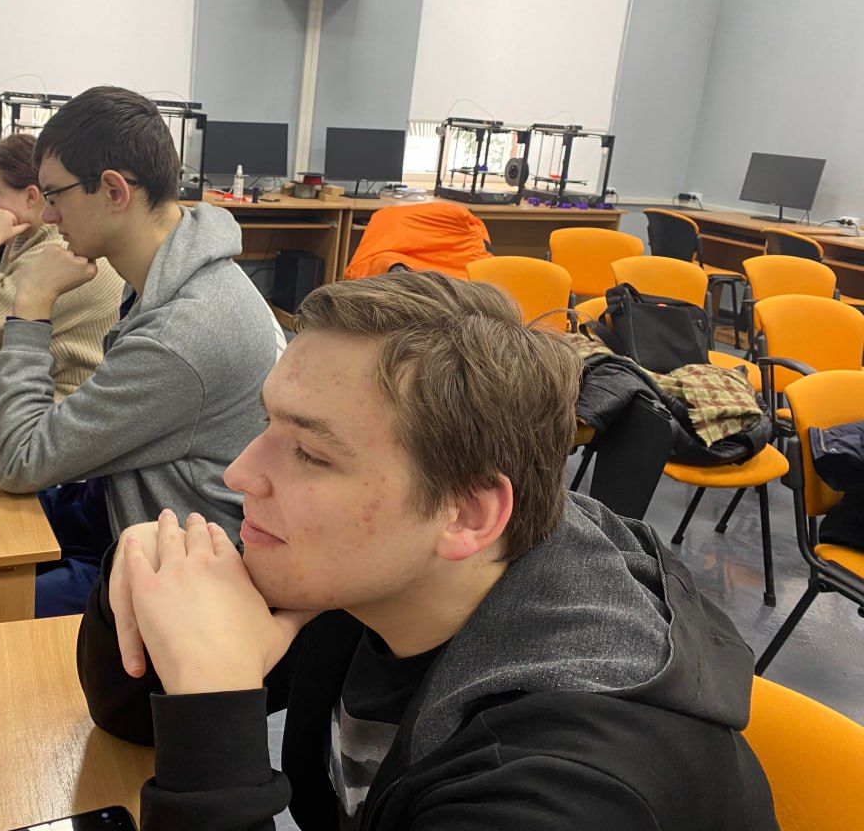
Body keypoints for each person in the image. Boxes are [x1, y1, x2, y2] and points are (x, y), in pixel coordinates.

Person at [77, 271, 778, 830]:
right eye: (268, 424)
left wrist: (214, 701)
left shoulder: (564, 792)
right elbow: (131, 718)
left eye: (311, 453)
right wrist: (144, 574)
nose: (239, 474)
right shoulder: (381, 566)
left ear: (468, 514)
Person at [0, 85, 284, 617]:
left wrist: (31, 304)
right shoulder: (172, 275)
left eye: (54, 196)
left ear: (113, 190)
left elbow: (19, 462)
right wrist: (35, 413)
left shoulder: (182, 331)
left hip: (174, 571)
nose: (49, 216)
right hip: (120, 505)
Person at [0, 133, 123, 390]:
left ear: (30, 196)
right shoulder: (28, 238)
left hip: (57, 402)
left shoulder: (60, 253)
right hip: (26, 393)